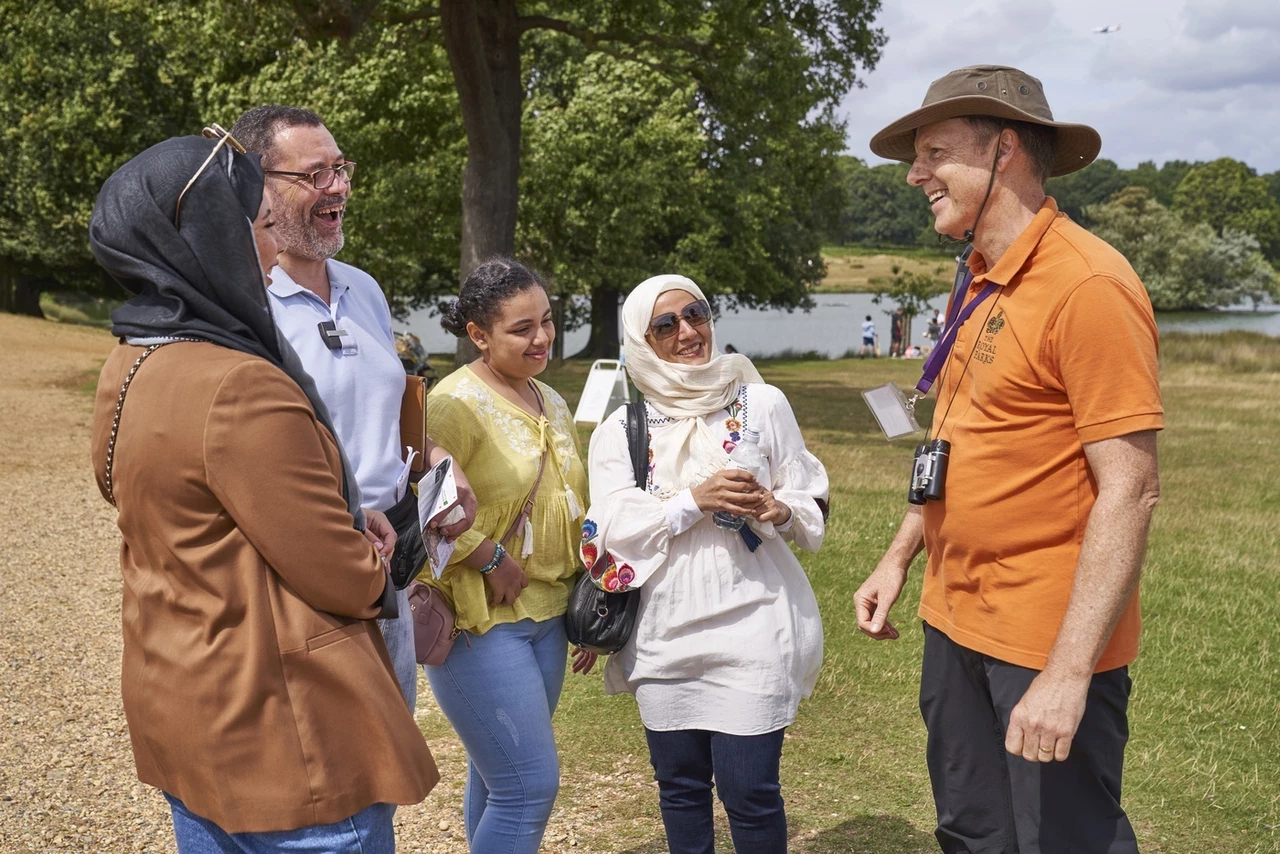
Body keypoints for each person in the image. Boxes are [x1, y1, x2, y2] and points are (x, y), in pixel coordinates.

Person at [88, 133, 438, 849]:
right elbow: (338, 574)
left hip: (187, 710)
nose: (271, 245)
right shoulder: (241, 384)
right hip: (285, 733)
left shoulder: (129, 363)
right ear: (209, 238)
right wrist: (378, 557)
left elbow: (139, 498)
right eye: (253, 225)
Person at [855, 66, 1162, 854]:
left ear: (1006, 152)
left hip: (1043, 640)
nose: (916, 174)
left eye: (934, 153)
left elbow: (1129, 491)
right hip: (954, 622)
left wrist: (1065, 676)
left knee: (1064, 840)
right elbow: (956, 439)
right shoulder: (978, 281)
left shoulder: (1089, 283)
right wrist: (900, 555)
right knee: (970, 832)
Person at [229, 105, 476, 711]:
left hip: (393, 564)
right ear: (257, 183)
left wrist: (438, 467)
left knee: (390, 762)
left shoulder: (363, 288)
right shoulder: (242, 303)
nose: (338, 186)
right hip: (307, 568)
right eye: (315, 174)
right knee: (324, 761)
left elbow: (383, 412)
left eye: (341, 169)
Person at [580, 274, 829, 854]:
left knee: (750, 790)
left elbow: (810, 495)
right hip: (664, 633)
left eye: (697, 313)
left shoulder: (761, 403)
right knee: (682, 789)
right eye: (666, 325)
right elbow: (607, 532)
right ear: (642, 341)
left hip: (755, 622)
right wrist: (694, 501)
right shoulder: (623, 429)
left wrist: (778, 508)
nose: (689, 332)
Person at [422, 258, 595, 854]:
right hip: (480, 621)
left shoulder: (550, 397)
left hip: (548, 616)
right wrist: (490, 558)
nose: (542, 337)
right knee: (528, 785)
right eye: (522, 329)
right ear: (478, 333)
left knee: (497, 775)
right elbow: (426, 512)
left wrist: (593, 597)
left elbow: (575, 501)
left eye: (547, 321)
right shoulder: (452, 404)